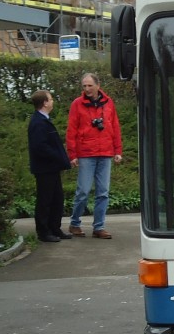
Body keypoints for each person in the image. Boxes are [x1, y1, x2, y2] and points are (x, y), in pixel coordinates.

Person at [66, 72, 123, 239]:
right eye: (84, 86)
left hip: (105, 152)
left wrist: (117, 150)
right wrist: (72, 154)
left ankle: (99, 226)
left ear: (98, 85)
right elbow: (71, 130)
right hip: (86, 153)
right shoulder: (77, 104)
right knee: (83, 191)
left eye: (90, 85)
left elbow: (115, 127)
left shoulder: (109, 103)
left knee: (103, 192)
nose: (87, 89)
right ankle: (75, 223)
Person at [27, 90, 72, 243]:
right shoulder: (38, 122)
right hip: (45, 168)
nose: (52, 102)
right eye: (51, 99)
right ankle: (43, 231)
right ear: (45, 103)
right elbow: (40, 147)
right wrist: (58, 157)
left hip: (52, 168)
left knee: (57, 199)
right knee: (45, 200)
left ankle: (54, 228)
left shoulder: (44, 120)